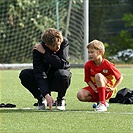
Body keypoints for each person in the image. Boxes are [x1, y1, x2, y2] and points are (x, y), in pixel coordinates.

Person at [19, 28, 72, 111]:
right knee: (24, 74)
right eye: (55, 46)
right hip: (44, 78)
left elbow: (62, 64)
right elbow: (39, 73)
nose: (58, 47)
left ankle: (60, 99)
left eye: (59, 44)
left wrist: (45, 53)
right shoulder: (37, 50)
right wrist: (46, 94)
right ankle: (41, 99)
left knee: (63, 74)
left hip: (57, 78)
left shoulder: (63, 42)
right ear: (47, 45)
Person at [77, 39, 123, 112]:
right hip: (95, 88)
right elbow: (87, 79)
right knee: (80, 95)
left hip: (107, 89)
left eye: (92, 52)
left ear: (100, 52)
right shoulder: (88, 65)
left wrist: (113, 88)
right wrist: (94, 89)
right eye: (89, 52)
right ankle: (99, 101)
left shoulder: (107, 64)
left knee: (98, 76)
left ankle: (102, 103)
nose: (89, 55)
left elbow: (120, 77)